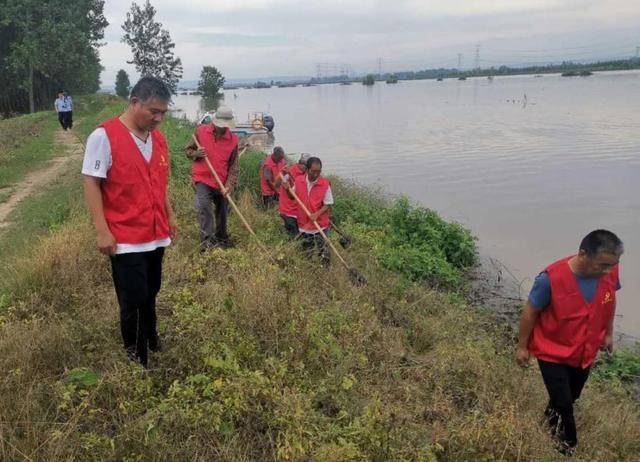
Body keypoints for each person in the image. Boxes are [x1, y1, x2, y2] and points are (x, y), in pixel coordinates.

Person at [82, 77, 177, 367]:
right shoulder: (104, 137)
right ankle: (136, 355)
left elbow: (158, 182)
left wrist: (170, 214)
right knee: (132, 298)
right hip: (125, 237)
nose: (158, 118)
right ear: (134, 102)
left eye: (163, 113)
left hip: (155, 232)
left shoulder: (157, 137)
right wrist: (102, 231)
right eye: (153, 112)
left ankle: (151, 338)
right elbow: (91, 183)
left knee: (152, 291)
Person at [516, 230, 623, 453]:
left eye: (612, 265)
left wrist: (608, 333)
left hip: (584, 352)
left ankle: (548, 421)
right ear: (583, 254)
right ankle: (568, 444)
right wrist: (522, 347)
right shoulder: (550, 279)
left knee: (570, 396)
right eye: (602, 265)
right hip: (551, 352)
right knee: (564, 402)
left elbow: (609, 301)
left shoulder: (610, 272)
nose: (607, 271)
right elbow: (530, 312)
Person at [185, 106, 239, 251]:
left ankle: (221, 237)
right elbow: (188, 151)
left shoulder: (233, 140)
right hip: (202, 178)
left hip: (222, 181)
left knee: (222, 211)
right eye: (220, 124)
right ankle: (206, 243)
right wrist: (197, 153)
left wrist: (229, 185)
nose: (222, 128)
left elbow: (234, 166)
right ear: (215, 121)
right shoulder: (200, 131)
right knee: (205, 208)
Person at [291, 157, 333, 265]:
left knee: (323, 252)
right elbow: (292, 196)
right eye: (313, 171)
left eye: (318, 172)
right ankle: (309, 270)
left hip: (320, 226)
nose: (316, 174)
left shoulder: (325, 184)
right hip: (304, 225)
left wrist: (316, 214)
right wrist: (287, 189)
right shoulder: (299, 180)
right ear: (307, 169)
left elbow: (328, 204)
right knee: (306, 252)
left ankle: (326, 271)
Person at [278, 153, 309, 237]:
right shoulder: (289, 172)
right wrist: (283, 173)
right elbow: (278, 183)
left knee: (301, 233)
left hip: (299, 209)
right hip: (288, 209)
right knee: (295, 235)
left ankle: (284, 229)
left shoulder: (307, 174)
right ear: (299, 162)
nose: (304, 167)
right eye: (303, 164)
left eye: (306, 165)